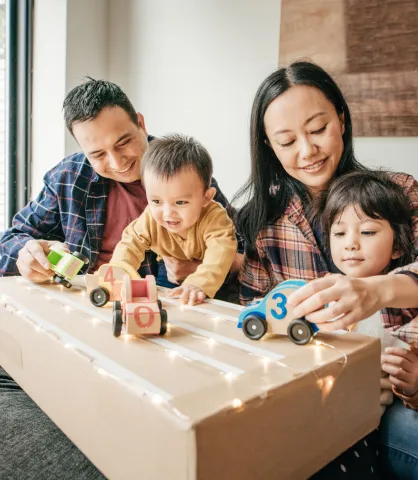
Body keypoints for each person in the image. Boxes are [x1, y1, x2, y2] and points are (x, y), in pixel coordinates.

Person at [236, 60, 418, 479]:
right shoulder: (262, 227)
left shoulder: (395, 191)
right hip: (360, 405)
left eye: (317, 129)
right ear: (269, 145)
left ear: (342, 121)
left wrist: (377, 291)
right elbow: (256, 325)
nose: (307, 151)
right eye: (287, 140)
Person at [0, 79, 241, 478]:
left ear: (141, 122)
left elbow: (237, 250)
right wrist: (24, 253)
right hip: (86, 314)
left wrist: (198, 269)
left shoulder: (180, 168)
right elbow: (11, 237)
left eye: (125, 141)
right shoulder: (68, 179)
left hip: (158, 326)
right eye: (97, 153)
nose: (117, 161)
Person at [322, 170, 418, 422]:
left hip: (381, 422)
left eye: (368, 232)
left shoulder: (406, 309)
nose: (350, 243)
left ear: (397, 247)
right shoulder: (320, 294)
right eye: (339, 233)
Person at [110, 135, 237, 305]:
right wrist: (119, 269)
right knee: (164, 304)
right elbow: (130, 242)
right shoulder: (150, 218)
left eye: (180, 202)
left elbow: (221, 250)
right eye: (156, 201)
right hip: (168, 273)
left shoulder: (214, 217)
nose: (168, 213)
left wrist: (199, 283)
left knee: (211, 309)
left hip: (213, 276)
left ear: (206, 197)